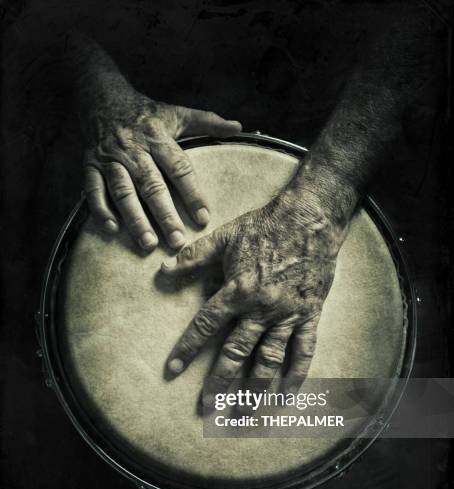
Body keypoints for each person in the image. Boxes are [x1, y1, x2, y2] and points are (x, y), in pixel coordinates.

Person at [66, 7, 432, 394]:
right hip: (138, 102)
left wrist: (319, 203)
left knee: (424, 417)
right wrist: (94, 83)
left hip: (368, 124)